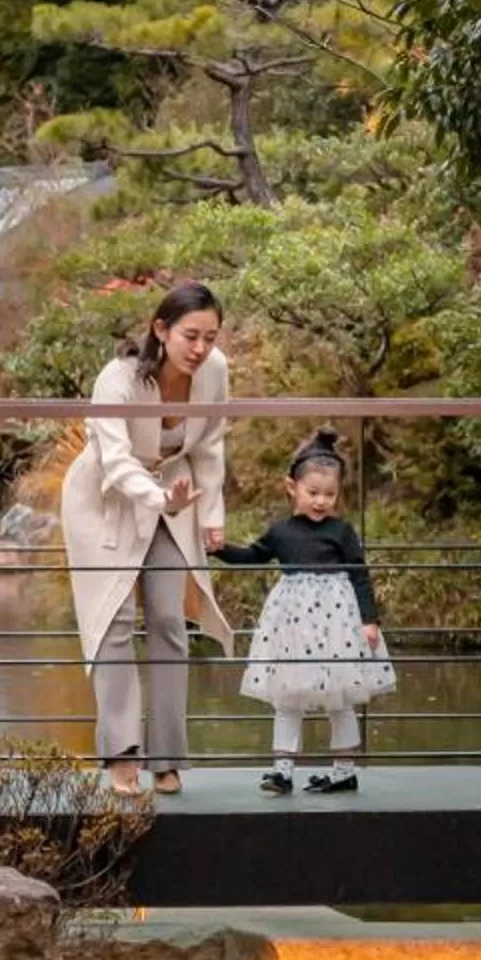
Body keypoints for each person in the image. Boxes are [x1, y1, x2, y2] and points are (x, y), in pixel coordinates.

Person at [60, 280, 233, 800]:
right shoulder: (118, 379)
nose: (200, 349)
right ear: (161, 329)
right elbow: (114, 462)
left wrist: (210, 513)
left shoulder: (215, 371)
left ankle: (167, 759)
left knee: (167, 619)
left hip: (175, 495)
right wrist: (161, 500)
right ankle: (121, 756)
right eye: (190, 336)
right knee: (114, 622)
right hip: (106, 502)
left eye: (210, 336)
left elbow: (212, 440)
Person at [216, 427, 395, 794]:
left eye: (329, 494)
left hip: (337, 622)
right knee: (288, 693)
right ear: (291, 487)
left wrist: (369, 620)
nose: (320, 501)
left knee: (341, 696)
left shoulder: (341, 531)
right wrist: (220, 549)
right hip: (293, 623)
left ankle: (344, 770)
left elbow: (360, 575)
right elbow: (253, 556)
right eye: (313, 493)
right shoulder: (281, 531)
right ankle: (282, 770)